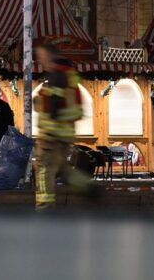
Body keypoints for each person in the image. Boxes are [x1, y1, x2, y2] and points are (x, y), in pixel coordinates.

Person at [33, 43, 92, 210]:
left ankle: (44, 207)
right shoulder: (69, 75)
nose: (39, 60)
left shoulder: (56, 76)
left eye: (40, 55)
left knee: (44, 169)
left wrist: (40, 104)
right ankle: (87, 186)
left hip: (52, 133)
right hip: (65, 134)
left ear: (48, 55)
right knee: (62, 169)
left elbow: (52, 105)